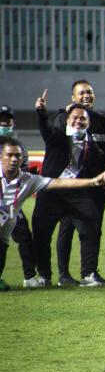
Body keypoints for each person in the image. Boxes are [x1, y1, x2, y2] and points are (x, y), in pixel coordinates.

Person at [0, 137, 105, 291]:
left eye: (17, 156)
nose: (14, 159)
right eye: (9, 155)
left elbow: (59, 182)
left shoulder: (28, 180)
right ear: (1, 157)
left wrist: (93, 181)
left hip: (5, 226)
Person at [31, 93, 105, 287]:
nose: (78, 121)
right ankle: (44, 276)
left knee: (91, 227)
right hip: (51, 192)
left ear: (88, 123)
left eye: (83, 118)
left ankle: (88, 274)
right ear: (67, 120)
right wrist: (41, 112)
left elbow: (100, 163)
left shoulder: (91, 146)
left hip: (77, 193)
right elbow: (46, 129)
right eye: (75, 117)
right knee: (42, 233)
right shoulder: (57, 137)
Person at [0, 106, 39, 288]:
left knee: (23, 235)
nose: (4, 124)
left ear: (12, 123)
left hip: (11, 202)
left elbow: (21, 174)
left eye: (6, 121)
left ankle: (30, 278)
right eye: (1, 121)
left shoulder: (19, 147)